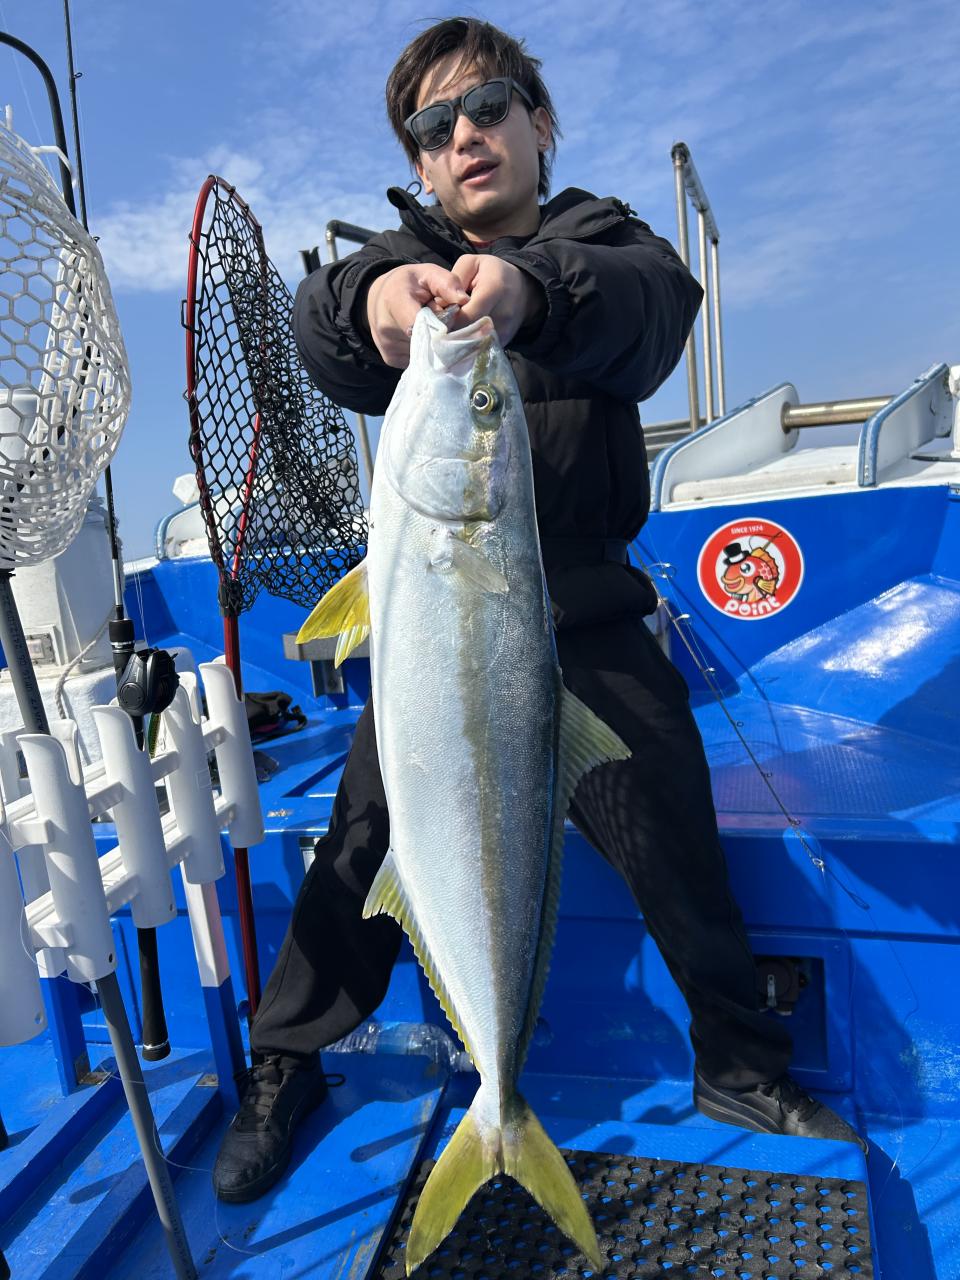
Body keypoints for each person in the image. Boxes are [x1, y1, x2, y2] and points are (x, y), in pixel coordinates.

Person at [213, 16, 866, 1204]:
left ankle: (739, 1063)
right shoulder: (400, 262)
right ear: (419, 164)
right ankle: (287, 1058)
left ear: (536, 122)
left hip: (588, 614)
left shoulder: (600, 240)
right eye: (434, 125)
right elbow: (325, 329)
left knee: (672, 819)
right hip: (434, 624)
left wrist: (530, 292)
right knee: (362, 832)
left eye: (489, 106)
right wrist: (378, 304)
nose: (465, 135)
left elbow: (651, 308)